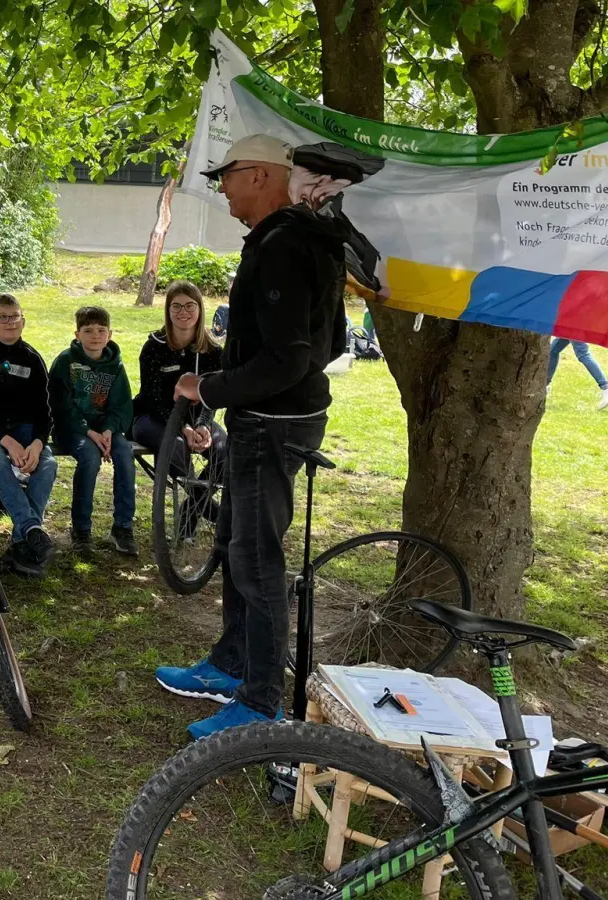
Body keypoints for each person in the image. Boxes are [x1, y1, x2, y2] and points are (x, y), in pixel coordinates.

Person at [155, 134, 349, 740]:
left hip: (272, 425)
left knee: (256, 560)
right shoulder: (295, 239)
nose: (222, 187)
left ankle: (262, 702)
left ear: (262, 176)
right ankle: (231, 663)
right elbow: (327, 343)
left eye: (229, 175)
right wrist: (220, 377)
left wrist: (210, 391)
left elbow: (289, 359)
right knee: (235, 544)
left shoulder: (285, 245)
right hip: (271, 417)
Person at [0, 293, 57, 576]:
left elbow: (45, 412)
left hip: (26, 430)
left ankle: (22, 543)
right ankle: (31, 529)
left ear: (23, 321)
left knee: (48, 465)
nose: (9, 322)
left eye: (14, 316)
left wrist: (38, 444)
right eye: (2, 317)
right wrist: (8, 442)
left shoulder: (33, 359)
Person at [49, 305, 136, 556]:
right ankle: (81, 529)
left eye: (101, 330)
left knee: (124, 456)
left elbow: (122, 405)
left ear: (110, 334)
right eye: (88, 330)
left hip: (106, 430)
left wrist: (109, 429)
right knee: (89, 457)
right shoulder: (65, 361)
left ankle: (122, 526)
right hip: (72, 429)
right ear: (77, 334)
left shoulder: (115, 365)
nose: (95, 335)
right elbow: (60, 405)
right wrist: (88, 431)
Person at [132, 281, 228, 491]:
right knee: (176, 445)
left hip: (195, 419)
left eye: (190, 305)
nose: (183, 312)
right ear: (168, 310)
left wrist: (203, 424)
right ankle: (204, 507)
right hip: (152, 418)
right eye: (176, 306)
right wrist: (183, 428)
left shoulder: (213, 352)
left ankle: (191, 511)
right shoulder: (153, 348)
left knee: (225, 451)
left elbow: (213, 395)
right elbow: (152, 397)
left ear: (200, 309)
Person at [548, 338, 608, 409]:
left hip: (575, 326)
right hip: (570, 326)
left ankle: (606, 386)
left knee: (583, 353)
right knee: (552, 350)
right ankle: (545, 384)